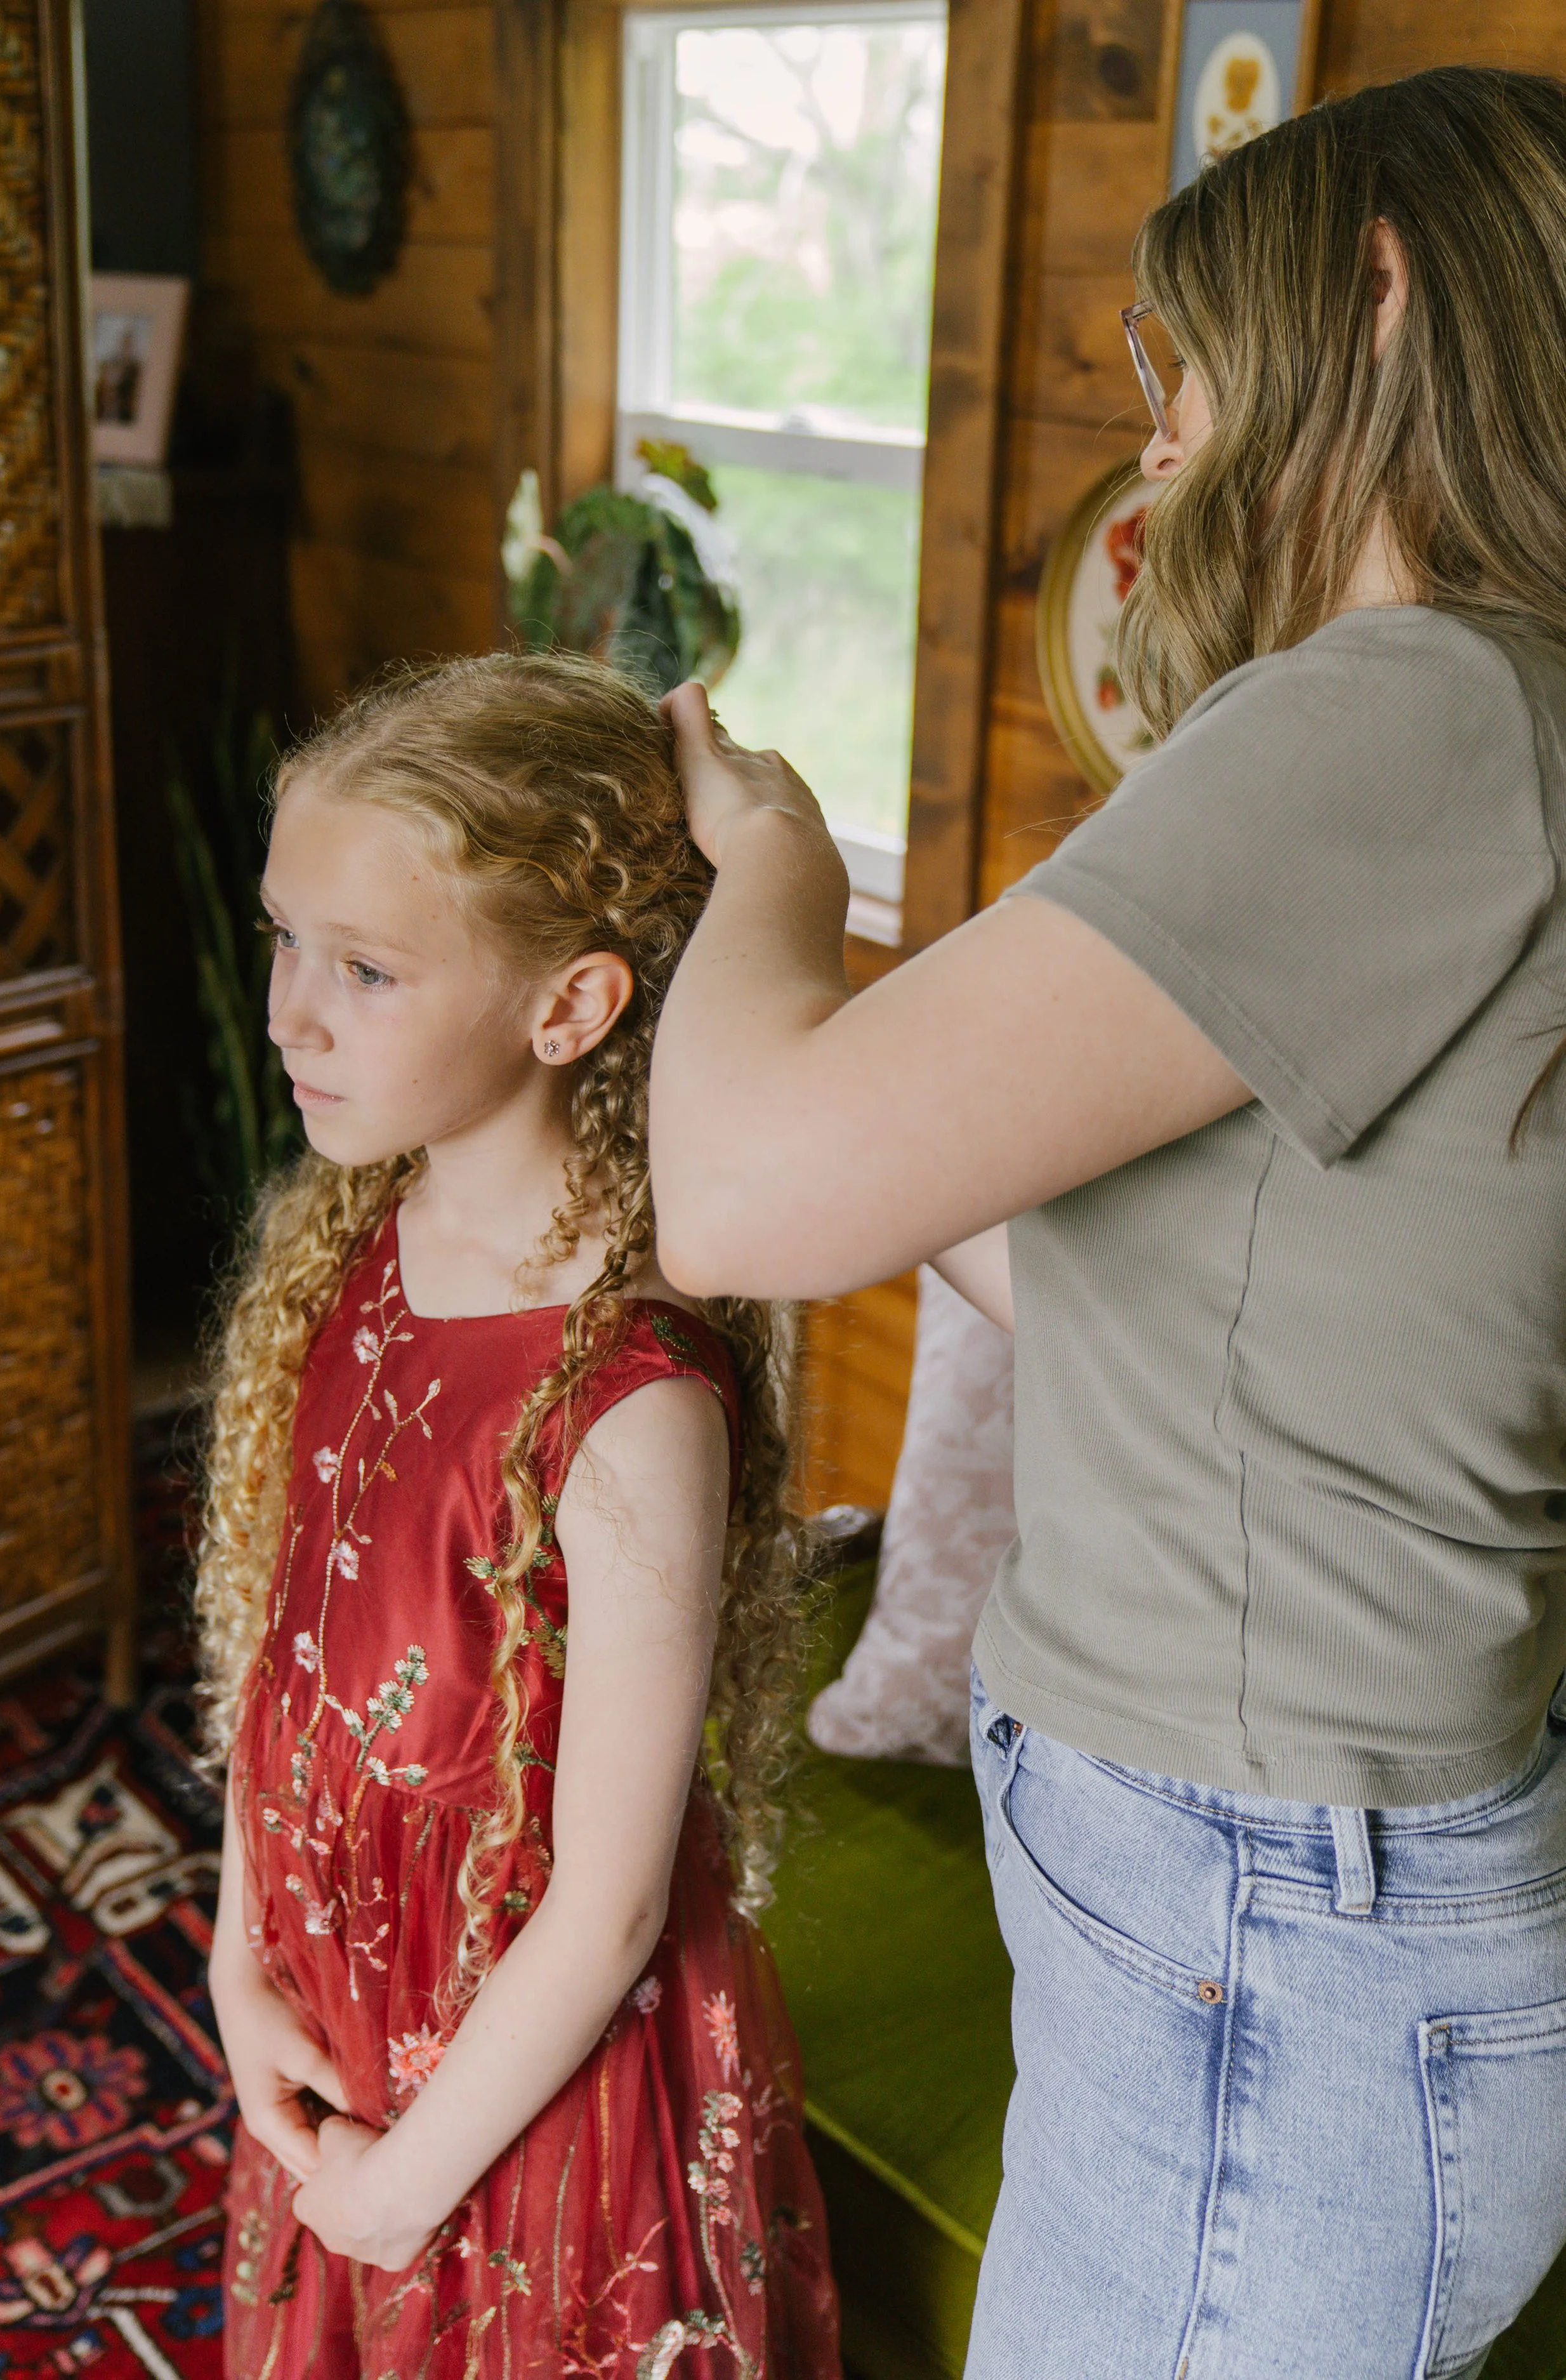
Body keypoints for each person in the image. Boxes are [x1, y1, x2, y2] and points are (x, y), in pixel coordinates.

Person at [649, 65, 1566, 2380]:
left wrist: (766, 862)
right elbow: (1142, 1289)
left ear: (1365, 300)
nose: (1155, 440)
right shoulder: (1492, 731)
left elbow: (740, 1192)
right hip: (1307, 1911)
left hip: (1273, 1933)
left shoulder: (1408, 714)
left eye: (1180, 367)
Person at [195, 654, 840, 2379]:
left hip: (527, 2102)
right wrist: (234, 1951)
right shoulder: (345, 1250)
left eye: (366, 970)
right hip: (344, 2003)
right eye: (281, 939)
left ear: (567, 1009)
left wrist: (408, 2183)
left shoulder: (631, 1397)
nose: (291, 1014)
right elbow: (286, 1652)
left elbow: (612, 1906)